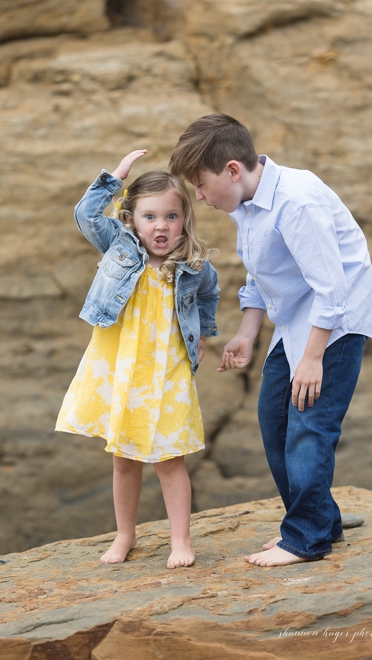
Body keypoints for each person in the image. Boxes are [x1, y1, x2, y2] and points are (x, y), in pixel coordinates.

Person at [168, 113, 372, 567]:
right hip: (297, 322)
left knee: (309, 427)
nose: (200, 197)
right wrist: (247, 334)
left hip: (335, 326)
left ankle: (306, 539)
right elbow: (262, 274)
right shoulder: (247, 203)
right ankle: (319, 520)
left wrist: (313, 358)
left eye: (201, 185)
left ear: (232, 169)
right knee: (274, 420)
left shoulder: (296, 202)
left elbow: (332, 288)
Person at [56, 150, 219, 568]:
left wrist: (204, 333)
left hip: (166, 370)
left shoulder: (194, 265)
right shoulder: (119, 244)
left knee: (169, 457)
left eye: (171, 216)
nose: (160, 226)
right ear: (130, 219)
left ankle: (180, 540)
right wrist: (116, 177)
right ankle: (125, 535)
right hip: (121, 365)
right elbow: (86, 215)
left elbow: (208, 296)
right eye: (149, 216)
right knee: (124, 458)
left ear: (184, 219)